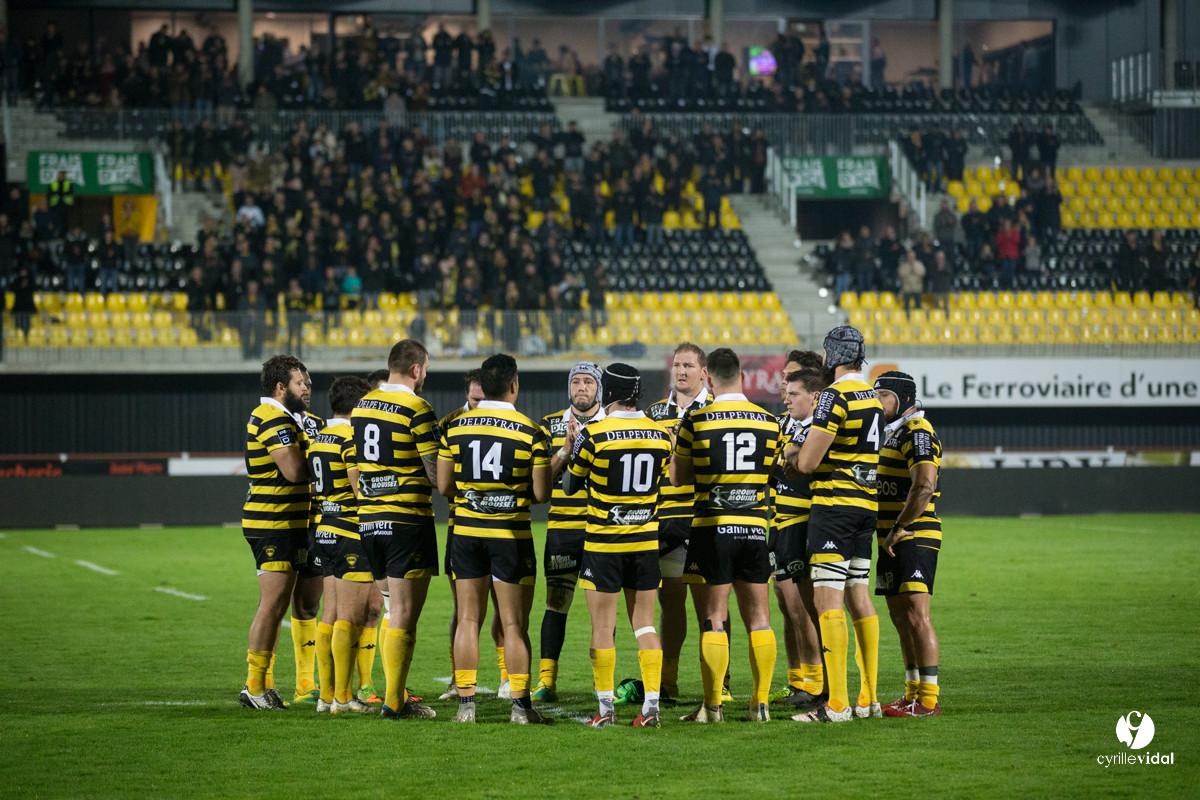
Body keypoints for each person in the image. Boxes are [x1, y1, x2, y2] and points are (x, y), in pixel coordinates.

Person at [437, 354, 554, 725]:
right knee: (514, 624)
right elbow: (541, 494)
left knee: (467, 619)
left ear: (482, 388)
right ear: (514, 385)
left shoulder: (455, 428)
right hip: (510, 536)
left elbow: (444, 486)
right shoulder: (531, 432)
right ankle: (520, 708)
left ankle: (465, 706)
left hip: (467, 533)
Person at [673, 348, 779, 723]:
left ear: (708, 378)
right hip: (754, 527)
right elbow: (774, 472)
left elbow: (677, 478)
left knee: (714, 616)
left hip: (712, 528)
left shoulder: (696, 419)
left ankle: (712, 706)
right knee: (759, 617)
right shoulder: (770, 422)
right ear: (742, 378)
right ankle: (760, 705)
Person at [563, 363, 672, 728]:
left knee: (602, 627)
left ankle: (606, 710)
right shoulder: (661, 436)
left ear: (607, 392)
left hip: (604, 545)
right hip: (645, 544)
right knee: (645, 625)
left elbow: (569, 486)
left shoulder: (594, 434)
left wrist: (571, 449)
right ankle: (651, 708)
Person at [786, 326, 884, 723]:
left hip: (833, 507)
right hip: (865, 507)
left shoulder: (833, 396)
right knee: (859, 597)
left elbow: (809, 462)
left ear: (833, 355)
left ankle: (838, 704)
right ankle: (869, 698)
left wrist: (792, 452)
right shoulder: (872, 396)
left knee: (828, 602)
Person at [351, 339, 440, 720]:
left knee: (391, 608)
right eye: (426, 369)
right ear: (416, 369)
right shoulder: (417, 408)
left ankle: (393, 694)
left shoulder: (362, 406)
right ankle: (394, 702)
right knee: (404, 614)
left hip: (370, 520)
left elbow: (356, 465)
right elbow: (435, 474)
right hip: (406, 520)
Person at [239, 355, 312, 710]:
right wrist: (327, 460)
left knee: (278, 604)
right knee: (272, 604)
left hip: (286, 522)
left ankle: (263, 683)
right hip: (273, 523)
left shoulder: (285, 417)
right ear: (281, 387)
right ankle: (254, 686)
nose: (307, 389)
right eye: (301, 383)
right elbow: (294, 471)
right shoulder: (272, 417)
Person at [644, 343, 714, 706]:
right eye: (677, 365)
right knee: (670, 603)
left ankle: (718, 683)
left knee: (710, 608)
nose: (681, 371)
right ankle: (668, 681)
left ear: (704, 372)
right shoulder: (654, 414)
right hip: (667, 522)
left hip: (704, 521)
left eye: (688, 365)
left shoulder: (717, 410)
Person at [531, 363, 605, 702]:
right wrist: (564, 449)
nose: (582, 387)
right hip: (562, 527)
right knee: (555, 604)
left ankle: (601, 683)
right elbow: (541, 480)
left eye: (588, 382)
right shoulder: (549, 425)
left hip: (601, 529)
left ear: (599, 389)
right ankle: (547, 681)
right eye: (576, 381)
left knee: (601, 610)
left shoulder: (611, 424)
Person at [872, 371, 943, 717]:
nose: (877, 402)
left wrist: (901, 526)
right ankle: (911, 693)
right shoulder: (892, 433)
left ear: (903, 399)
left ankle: (928, 699)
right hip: (889, 537)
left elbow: (924, 485)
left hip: (913, 535)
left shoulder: (917, 431)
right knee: (900, 617)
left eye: (883, 395)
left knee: (917, 616)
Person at [436, 371, 508, 702]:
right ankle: (458, 679)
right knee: (465, 610)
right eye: (475, 399)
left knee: (504, 605)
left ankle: (507, 677)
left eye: (484, 399)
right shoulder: (449, 424)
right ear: (466, 395)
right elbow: (442, 480)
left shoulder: (507, 422)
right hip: (462, 526)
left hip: (501, 526)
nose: (480, 405)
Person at [305, 376, 375, 714]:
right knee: (350, 617)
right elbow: (360, 490)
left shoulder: (318, 438)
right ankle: (343, 698)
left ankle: (326, 695)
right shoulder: (350, 438)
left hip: (325, 530)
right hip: (350, 532)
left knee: (330, 615)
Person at [769, 359, 828, 712]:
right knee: (787, 605)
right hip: (779, 523)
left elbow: (796, 471)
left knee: (803, 606)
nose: (784, 391)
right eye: (784, 383)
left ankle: (815, 681)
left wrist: (781, 463)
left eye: (792, 385)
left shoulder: (820, 429)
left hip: (803, 522)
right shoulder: (782, 424)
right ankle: (799, 680)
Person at [899, 249, 926, 315]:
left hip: (917, 287)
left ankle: (918, 316)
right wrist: (909, 272)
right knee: (906, 305)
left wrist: (915, 271)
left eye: (912, 256)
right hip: (907, 288)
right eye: (909, 256)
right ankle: (906, 317)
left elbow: (923, 272)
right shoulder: (904, 265)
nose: (911, 258)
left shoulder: (919, 264)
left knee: (918, 304)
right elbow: (901, 273)